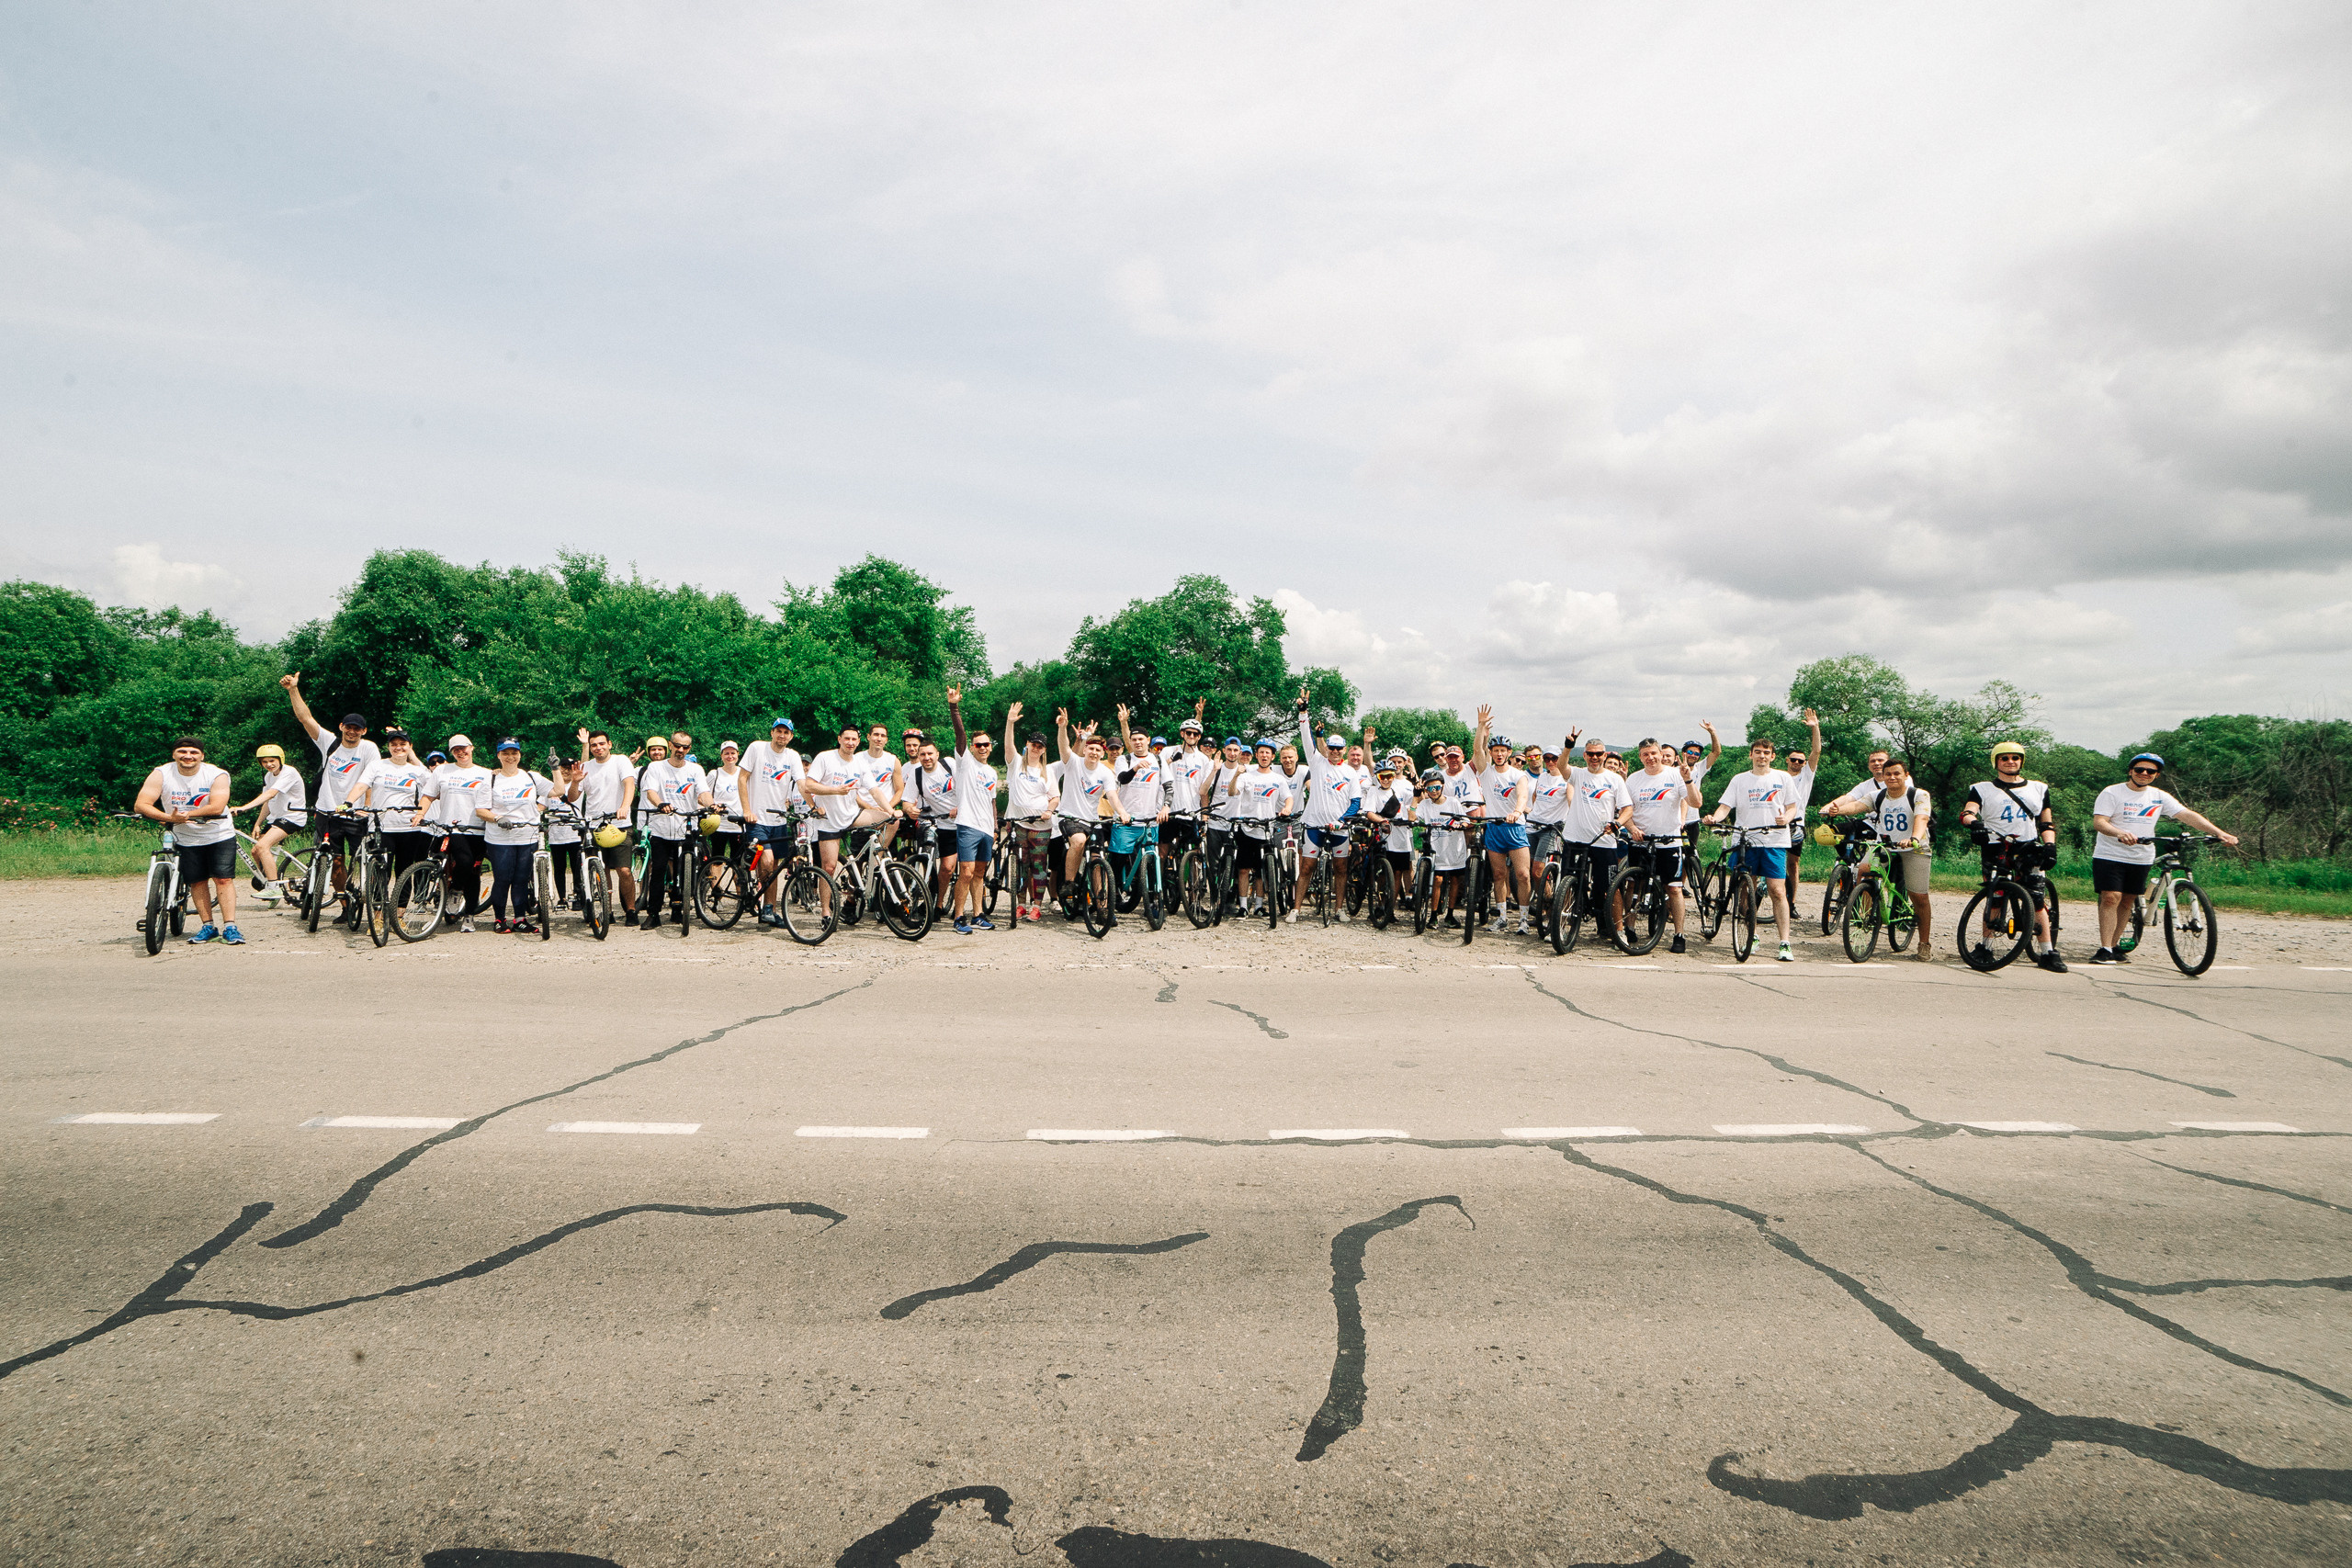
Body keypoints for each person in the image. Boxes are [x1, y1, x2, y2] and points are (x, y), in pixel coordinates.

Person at [2088, 753, 2238, 964]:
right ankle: (2104, 948)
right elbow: (2099, 822)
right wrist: (2119, 833)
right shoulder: (2112, 792)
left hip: (2141, 856)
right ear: (2130, 771)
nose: (2144, 774)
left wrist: (2219, 833)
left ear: (2156, 775)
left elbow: (2186, 814)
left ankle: (2114, 946)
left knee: (2128, 900)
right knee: (2111, 897)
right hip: (2111, 853)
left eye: (2151, 771)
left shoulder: (2158, 796)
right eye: (2139, 769)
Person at [1957, 740, 2069, 974]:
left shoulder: (2039, 788)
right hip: (1996, 846)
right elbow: (1968, 811)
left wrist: (2050, 846)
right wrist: (1974, 823)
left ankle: (2048, 951)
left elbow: (2046, 821)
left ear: (2022, 761)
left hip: (2028, 847)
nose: (2010, 762)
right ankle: (1986, 946)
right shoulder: (1982, 788)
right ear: (1996, 762)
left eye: (2015, 758)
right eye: (2004, 758)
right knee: (1995, 895)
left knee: (2037, 898)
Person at [1822, 753, 1936, 959]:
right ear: (1882, 777)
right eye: (1888, 774)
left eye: (1896, 774)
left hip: (1913, 847)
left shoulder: (1919, 794)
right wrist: (1837, 811)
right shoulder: (1879, 796)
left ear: (1905, 775)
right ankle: (1867, 913)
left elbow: (1922, 817)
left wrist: (1914, 838)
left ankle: (1924, 943)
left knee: (1919, 896)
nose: (1892, 777)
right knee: (1864, 870)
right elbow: (1858, 806)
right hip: (1885, 845)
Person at [279, 672, 379, 901]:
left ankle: (365, 898)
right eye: (349, 727)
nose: (352, 732)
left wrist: (368, 805)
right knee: (335, 861)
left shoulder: (369, 748)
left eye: (357, 729)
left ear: (364, 731)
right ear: (342, 726)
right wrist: (293, 689)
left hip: (356, 814)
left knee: (362, 860)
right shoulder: (330, 742)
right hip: (327, 812)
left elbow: (370, 778)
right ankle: (344, 903)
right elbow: (306, 718)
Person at [136, 737, 241, 945]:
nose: (188, 756)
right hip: (185, 836)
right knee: (197, 881)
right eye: (182, 751)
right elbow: (142, 804)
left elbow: (217, 806)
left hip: (218, 833)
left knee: (223, 879)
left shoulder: (216, 774)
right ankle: (208, 926)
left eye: (193, 752)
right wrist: (170, 819)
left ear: (202, 756)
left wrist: (186, 815)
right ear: (174, 754)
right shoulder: (161, 773)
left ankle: (230, 927)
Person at [1706, 736, 1802, 961]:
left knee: (1777, 891)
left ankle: (1785, 942)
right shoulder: (1740, 779)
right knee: (1744, 889)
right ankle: (1752, 934)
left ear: (1773, 756)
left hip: (1774, 840)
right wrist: (1714, 817)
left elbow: (1792, 808)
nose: (1762, 756)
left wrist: (1786, 819)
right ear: (1751, 755)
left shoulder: (1783, 777)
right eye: (1758, 752)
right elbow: (1725, 807)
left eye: (1766, 753)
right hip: (1746, 839)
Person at [1626, 739, 1703, 953]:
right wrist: (1632, 828)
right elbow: (1625, 810)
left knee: (1674, 888)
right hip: (1641, 841)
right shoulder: (1633, 779)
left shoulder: (1675, 774)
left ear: (1661, 754)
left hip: (1668, 841)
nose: (1650, 758)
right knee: (1634, 885)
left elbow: (1696, 803)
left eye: (1653, 753)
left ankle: (1679, 934)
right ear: (1640, 757)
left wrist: (1688, 780)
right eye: (1645, 754)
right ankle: (1629, 927)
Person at [1558, 730, 1634, 933]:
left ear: (1605, 756)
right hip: (1575, 838)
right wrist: (1568, 745)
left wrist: (1618, 823)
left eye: (1599, 754)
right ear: (1584, 755)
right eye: (1590, 754)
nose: (1594, 758)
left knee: (1611, 889)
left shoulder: (1614, 779)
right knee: (1568, 884)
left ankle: (1619, 931)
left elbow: (1628, 808)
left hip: (1603, 841)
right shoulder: (1578, 774)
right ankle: (1562, 926)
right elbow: (1561, 767)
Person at [1468, 705, 1534, 932]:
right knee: (1498, 874)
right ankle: (1502, 917)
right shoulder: (1485, 772)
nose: (1498, 753)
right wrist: (1480, 727)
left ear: (1509, 753)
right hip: (1494, 828)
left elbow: (1523, 796)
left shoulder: (1519, 774)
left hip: (1515, 828)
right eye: (1495, 750)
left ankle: (1524, 919)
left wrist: (1517, 811)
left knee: (1523, 875)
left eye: (1503, 750)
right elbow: (1477, 750)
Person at [943, 686, 1001, 932]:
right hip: (968, 824)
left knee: (979, 873)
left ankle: (978, 914)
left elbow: (992, 801)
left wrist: (996, 827)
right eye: (979, 745)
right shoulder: (964, 762)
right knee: (965, 873)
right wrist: (954, 707)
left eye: (987, 744)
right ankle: (959, 917)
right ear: (973, 748)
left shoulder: (992, 772)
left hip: (987, 828)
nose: (983, 748)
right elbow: (960, 734)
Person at [1054, 710, 1125, 913]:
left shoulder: (1105, 772)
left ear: (1102, 753)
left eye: (1098, 750)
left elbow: (1112, 795)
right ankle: (1069, 882)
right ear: (1085, 749)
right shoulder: (1073, 763)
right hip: (1070, 817)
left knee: (1097, 859)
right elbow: (1063, 746)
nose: (1094, 752)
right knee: (1078, 841)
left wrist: (1121, 812)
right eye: (1090, 748)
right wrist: (1062, 728)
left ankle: (1102, 907)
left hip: (1092, 821)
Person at [478, 739, 550, 932]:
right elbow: (480, 810)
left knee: (521, 879)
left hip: (527, 836)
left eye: (514, 753)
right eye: (505, 753)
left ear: (520, 755)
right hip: (500, 838)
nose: (510, 757)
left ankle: (520, 919)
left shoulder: (531, 777)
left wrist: (557, 769)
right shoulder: (490, 780)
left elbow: (558, 791)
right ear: (499, 756)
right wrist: (497, 818)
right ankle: (499, 919)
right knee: (503, 878)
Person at [739, 719, 804, 928]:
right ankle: (766, 907)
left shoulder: (792, 756)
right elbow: (742, 778)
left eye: (786, 732)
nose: (782, 735)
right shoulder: (757, 748)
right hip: (757, 818)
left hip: (779, 819)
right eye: (778, 731)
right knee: (766, 860)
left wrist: (812, 806)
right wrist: (747, 810)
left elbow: (802, 783)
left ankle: (770, 909)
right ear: (772, 732)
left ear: (791, 736)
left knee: (775, 866)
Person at [348, 728, 435, 884]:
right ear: (388, 747)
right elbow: (361, 785)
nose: (398, 747)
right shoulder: (377, 766)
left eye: (403, 744)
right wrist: (348, 802)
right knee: (382, 870)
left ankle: (400, 907)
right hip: (382, 826)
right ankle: (378, 907)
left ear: (410, 746)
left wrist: (421, 813)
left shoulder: (417, 771)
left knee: (404, 870)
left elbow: (432, 792)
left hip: (409, 827)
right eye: (394, 744)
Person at [423, 735, 492, 931]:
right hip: (450, 827)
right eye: (456, 750)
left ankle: (468, 916)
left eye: (464, 748)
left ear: (472, 748)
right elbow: (428, 795)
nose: (461, 752)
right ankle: (453, 891)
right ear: (452, 753)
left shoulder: (486, 774)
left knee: (473, 873)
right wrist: (420, 813)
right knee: (464, 862)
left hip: (478, 829)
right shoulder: (442, 770)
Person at [637, 735, 703, 930]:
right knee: (658, 871)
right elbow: (651, 791)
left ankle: (678, 908)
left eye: (685, 747)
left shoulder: (696, 769)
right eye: (677, 746)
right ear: (670, 746)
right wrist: (660, 804)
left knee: (684, 872)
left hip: (686, 828)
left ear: (689, 749)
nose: (680, 750)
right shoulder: (656, 768)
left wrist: (712, 804)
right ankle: (654, 913)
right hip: (661, 828)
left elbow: (703, 793)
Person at [574, 728, 640, 923]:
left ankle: (630, 910)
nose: (598, 748)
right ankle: (607, 910)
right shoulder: (585, 766)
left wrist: (624, 807)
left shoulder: (621, 761)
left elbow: (629, 784)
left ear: (609, 744)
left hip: (619, 824)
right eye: (594, 745)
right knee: (601, 870)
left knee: (624, 870)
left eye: (602, 744)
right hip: (594, 825)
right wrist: (574, 782)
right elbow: (573, 797)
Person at [233, 742, 308, 904]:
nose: (269, 764)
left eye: (272, 761)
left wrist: (243, 808)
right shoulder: (268, 776)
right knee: (255, 851)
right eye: (265, 762)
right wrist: (258, 823)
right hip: (275, 818)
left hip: (292, 817)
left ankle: (273, 887)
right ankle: (269, 879)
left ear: (280, 759)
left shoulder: (289, 772)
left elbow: (271, 793)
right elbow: (268, 801)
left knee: (262, 847)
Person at [1000, 706, 1054, 923]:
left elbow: (1054, 796)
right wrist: (1010, 723)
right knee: (1021, 865)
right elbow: (1008, 745)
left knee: (1039, 865)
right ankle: (1020, 904)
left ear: (1043, 750)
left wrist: (1049, 810)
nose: (1036, 748)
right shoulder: (1015, 765)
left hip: (1041, 826)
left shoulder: (1047, 771)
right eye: (1033, 744)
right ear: (1028, 745)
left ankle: (1037, 906)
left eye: (1040, 746)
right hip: (1019, 823)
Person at [1777, 712, 1825, 918]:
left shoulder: (1806, 775)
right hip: (1776, 823)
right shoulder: (1778, 776)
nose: (1797, 763)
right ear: (1787, 760)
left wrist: (1815, 727)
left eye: (1801, 761)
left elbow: (1817, 750)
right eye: (1794, 759)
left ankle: (1792, 902)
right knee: (1773, 860)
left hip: (1797, 824)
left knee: (1793, 863)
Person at [1419, 764, 1478, 926]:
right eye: (1429, 788)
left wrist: (1461, 825)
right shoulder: (1425, 805)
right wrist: (1415, 796)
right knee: (1437, 880)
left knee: (1455, 880)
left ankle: (1450, 914)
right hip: (1436, 850)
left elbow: (1466, 821)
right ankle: (1433, 915)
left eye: (1437, 787)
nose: (1434, 791)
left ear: (1442, 787)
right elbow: (1413, 817)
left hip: (1454, 849)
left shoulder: (1453, 802)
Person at [1679, 724, 1721, 838]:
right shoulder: (1674, 771)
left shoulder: (1699, 768)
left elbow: (1716, 752)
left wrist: (1713, 732)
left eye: (1697, 754)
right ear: (1684, 753)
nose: (1693, 756)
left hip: (1693, 820)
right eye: (1690, 752)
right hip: (1676, 820)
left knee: (1692, 854)